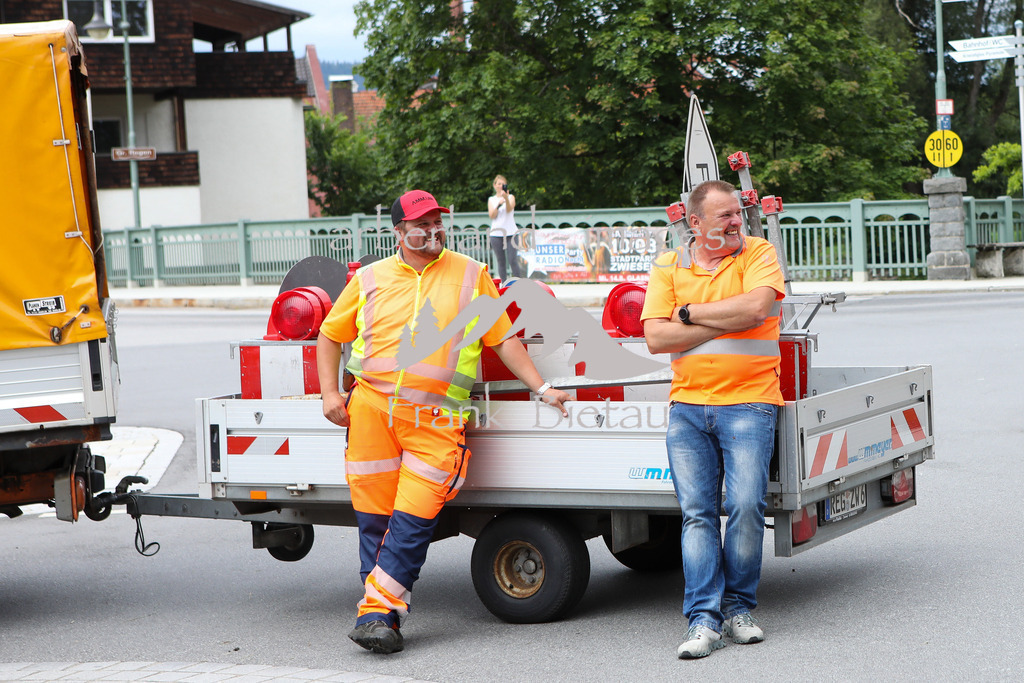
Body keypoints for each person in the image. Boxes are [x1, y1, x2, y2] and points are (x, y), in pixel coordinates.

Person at [316, 189, 571, 655]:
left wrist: (542, 387)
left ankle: (375, 612)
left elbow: (503, 340)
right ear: (398, 231)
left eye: (437, 222)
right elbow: (331, 334)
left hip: (435, 419)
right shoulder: (371, 278)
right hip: (370, 411)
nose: (433, 230)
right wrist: (330, 393)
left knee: (413, 521)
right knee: (375, 522)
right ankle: (379, 617)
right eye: (422, 224)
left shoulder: (471, 274)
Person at [640, 179, 785, 660]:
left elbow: (756, 308)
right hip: (688, 408)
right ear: (695, 222)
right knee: (697, 515)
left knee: (745, 506)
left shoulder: (757, 253)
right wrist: (719, 319)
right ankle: (703, 620)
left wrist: (686, 314)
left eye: (738, 213)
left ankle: (738, 609)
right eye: (725, 215)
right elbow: (655, 339)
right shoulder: (668, 264)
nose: (736, 222)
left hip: (749, 402)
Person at [487, 175, 521, 281]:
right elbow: (492, 215)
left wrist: (505, 198)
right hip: (496, 234)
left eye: (503, 184)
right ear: (494, 185)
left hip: (511, 233)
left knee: (512, 260)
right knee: (501, 262)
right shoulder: (492, 199)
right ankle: (504, 284)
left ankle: (519, 284)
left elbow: (509, 209)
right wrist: (498, 204)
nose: (501, 186)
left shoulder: (511, 197)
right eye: (499, 184)